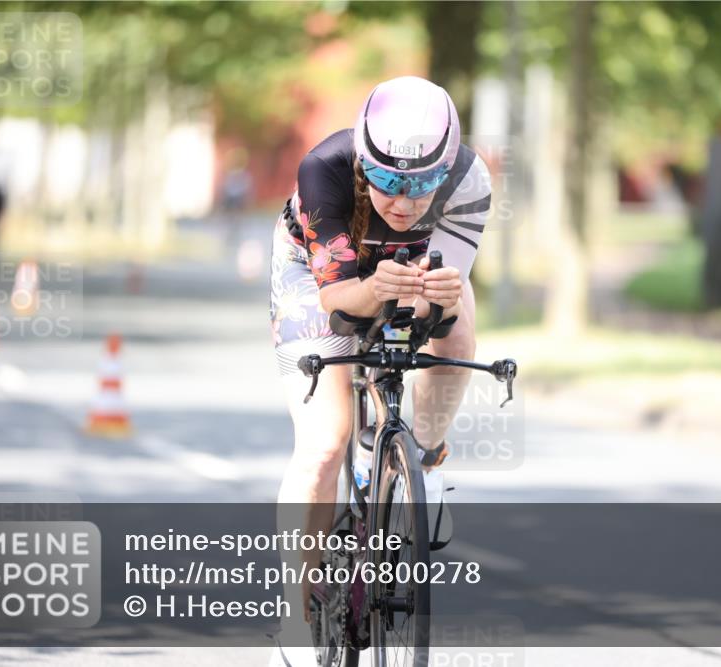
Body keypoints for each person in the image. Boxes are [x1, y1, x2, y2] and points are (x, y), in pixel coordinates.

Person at [268, 75, 491, 664]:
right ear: (364, 162)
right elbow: (338, 302)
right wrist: (372, 290)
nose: (404, 201)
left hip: (407, 271)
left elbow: (441, 307)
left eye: (423, 185)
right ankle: (295, 612)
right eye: (388, 181)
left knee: (461, 314)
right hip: (319, 275)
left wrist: (435, 302)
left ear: (448, 169)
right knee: (325, 440)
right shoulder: (325, 168)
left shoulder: (470, 179)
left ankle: (427, 454)